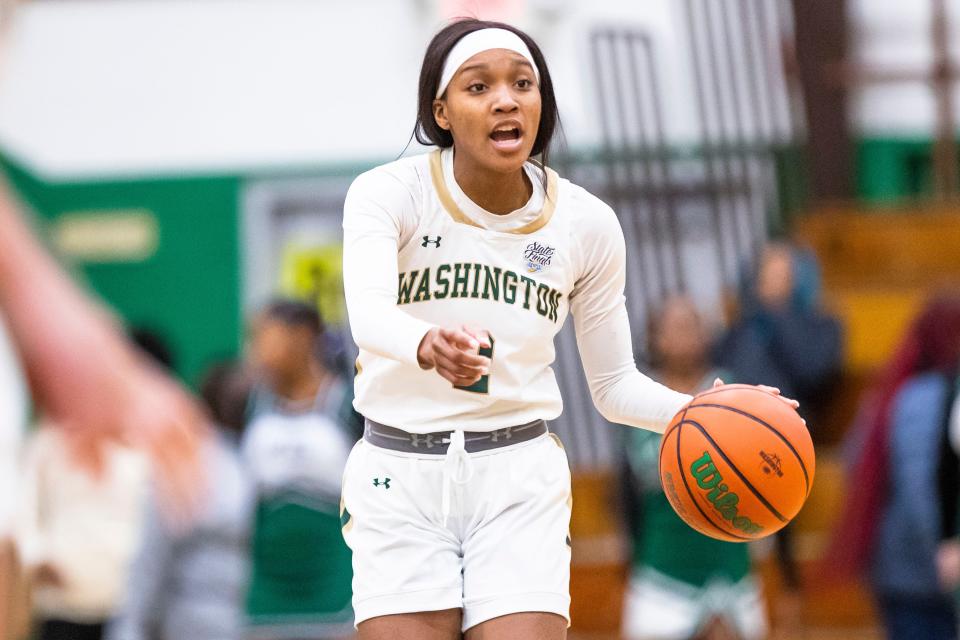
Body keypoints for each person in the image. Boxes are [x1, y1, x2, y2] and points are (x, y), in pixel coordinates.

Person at [339, 19, 796, 640]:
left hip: (516, 474)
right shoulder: (390, 192)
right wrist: (424, 343)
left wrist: (709, 411)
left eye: (522, 83)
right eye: (480, 87)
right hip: (401, 471)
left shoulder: (587, 223)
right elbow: (367, 314)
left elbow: (613, 385)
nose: (506, 98)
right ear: (441, 111)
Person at [622, 296, 767, 640]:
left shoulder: (734, 392)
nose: (688, 332)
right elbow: (626, 492)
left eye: (694, 324)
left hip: (731, 569)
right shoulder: (637, 397)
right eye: (676, 325)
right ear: (655, 338)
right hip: (663, 568)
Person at [828, 295, 960, 640]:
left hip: (903, 572)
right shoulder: (927, 396)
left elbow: (851, 461)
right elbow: (923, 492)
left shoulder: (893, 392)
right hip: (924, 579)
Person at [108, 361, 256, 640]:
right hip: (190, 620)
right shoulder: (192, 463)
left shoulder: (263, 456)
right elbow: (150, 560)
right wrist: (130, 628)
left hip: (259, 623)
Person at [243, 300, 356, 640]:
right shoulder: (254, 404)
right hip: (267, 584)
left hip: (335, 583)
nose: (256, 350)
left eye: (265, 337)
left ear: (303, 336)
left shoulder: (347, 404)